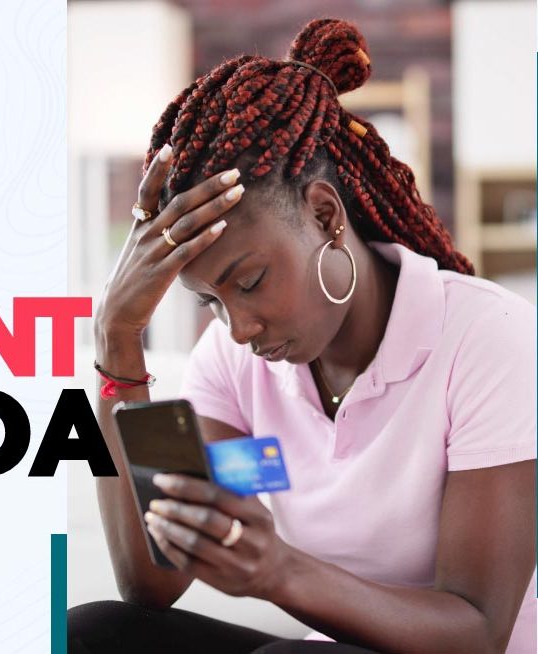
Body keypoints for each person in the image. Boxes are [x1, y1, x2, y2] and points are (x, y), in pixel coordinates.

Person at [69, 18, 537, 654]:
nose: (237, 329)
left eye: (251, 280)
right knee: (92, 633)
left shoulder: (489, 337)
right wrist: (118, 340)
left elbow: (479, 631)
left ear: (325, 214)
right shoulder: (231, 363)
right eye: (209, 301)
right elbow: (154, 579)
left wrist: (280, 572)